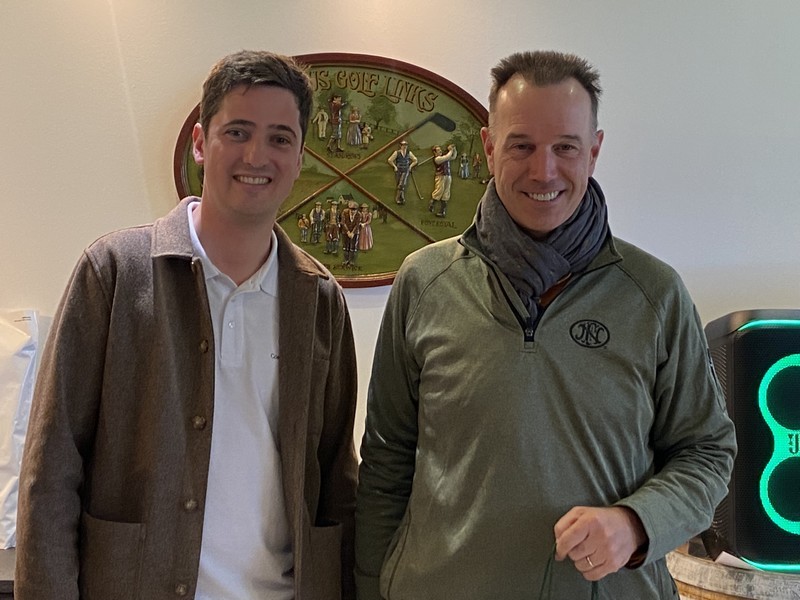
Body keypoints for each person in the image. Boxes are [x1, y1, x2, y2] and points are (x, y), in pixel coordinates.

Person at [355, 50, 736, 599]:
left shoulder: (654, 294)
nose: (544, 171)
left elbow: (707, 451)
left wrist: (636, 523)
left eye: (565, 147)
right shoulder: (424, 281)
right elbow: (386, 460)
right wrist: (370, 587)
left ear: (594, 151)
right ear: (488, 147)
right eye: (522, 146)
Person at [16, 50, 358, 600]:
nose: (256, 155)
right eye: (237, 132)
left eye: (279, 138)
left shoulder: (320, 301)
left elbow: (337, 479)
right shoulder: (114, 273)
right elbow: (50, 470)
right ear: (201, 142)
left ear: (299, 158)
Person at [429, 143, 457, 217]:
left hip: (448, 176)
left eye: (440, 149)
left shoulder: (444, 157)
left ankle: (442, 211)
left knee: (446, 193)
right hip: (440, 176)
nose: (440, 151)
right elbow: (447, 157)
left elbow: (453, 157)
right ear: (435, 153)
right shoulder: (437, 159)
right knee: (439, 191)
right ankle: (431, 204)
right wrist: (450, 150)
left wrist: (454, 150)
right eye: (438, 150)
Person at [387, 140, 418, 205]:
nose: (405, 146)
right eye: (403, 145)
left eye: (406, 145)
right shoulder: (397, 153)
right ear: (400, 146)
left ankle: (397, 199)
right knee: (399, 185)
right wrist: (395, 167)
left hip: (405, 170)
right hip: (398, 170)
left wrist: (410, 166)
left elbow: (415, 160)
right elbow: (390, 160)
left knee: (401, 184)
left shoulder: (409, 153)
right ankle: (402, 198)